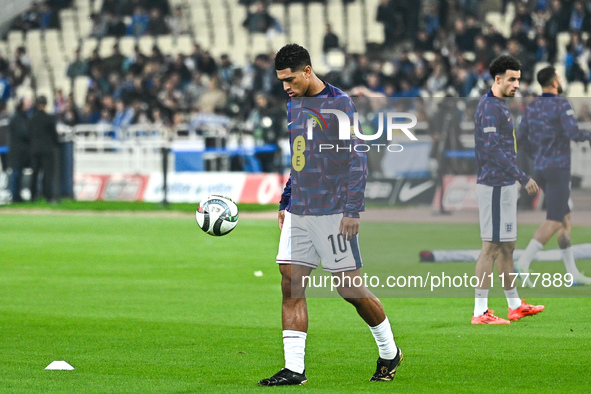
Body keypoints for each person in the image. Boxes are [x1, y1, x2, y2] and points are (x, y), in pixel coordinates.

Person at [258, 44, 402, 386]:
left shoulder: (339, 104)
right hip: (300, 209)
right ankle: (294, 369)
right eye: (281, 81)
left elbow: (357, 159)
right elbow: (299, 157)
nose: (286, 87)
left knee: (349, 288)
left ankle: (389, 350)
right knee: (290, 283)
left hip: (333, 210)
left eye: (290, 79)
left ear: (308, 70)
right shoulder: (294, 104)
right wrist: (285, 200)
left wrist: (353, 209)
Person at [472, 55, 544, 325]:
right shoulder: (490, 107)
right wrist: (522, 176)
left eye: (518, 78)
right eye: (512, 79)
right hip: (493, 183)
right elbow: (491, 150)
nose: (517, 84)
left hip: (503, 184)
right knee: (490, 246)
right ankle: (480, 311)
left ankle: (515, 305)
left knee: (508, 247)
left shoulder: (499, 106)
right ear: (498, 79)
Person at [516, 66, 591, 286]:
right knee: (555, 220)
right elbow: (573, 133)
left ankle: (572, 273)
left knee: (565, 219)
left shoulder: (531, 108)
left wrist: (536, 154)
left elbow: (520, 138)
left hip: (540, 168)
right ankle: (523, 262)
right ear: (555, 82)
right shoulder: (561, 104)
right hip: (558, 169)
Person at [30, 96, 60, 203]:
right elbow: (54, 135)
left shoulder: (32, 119)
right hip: (47, 150)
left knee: (35, 173)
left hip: (34, 150)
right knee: (48, 174)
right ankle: (48, 196)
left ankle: (33, 196)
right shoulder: (50, 118)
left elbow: (29, 134)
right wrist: (56, 144)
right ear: (46, 104)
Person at [7, 98, 31, 202]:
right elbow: (24, 133)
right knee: (16, 174)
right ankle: (14, 196)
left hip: (19, 151)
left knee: (18, 174)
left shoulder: (20, 117)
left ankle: (16, 195)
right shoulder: (17, 118)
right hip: (17, 151)